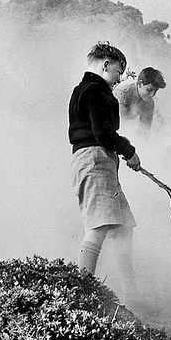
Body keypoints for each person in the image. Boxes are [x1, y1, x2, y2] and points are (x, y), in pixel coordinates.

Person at [68, 42, 141, 298]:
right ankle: (83, 291)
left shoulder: (83, 89)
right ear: (105, 64)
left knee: (122, 226)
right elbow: (103, 133)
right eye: (118, 72)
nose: (119, 79)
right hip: (95, 160)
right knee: (99, 225)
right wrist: (129, 151)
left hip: (99, 160)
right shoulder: (95, 90)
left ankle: (131, 294)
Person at [114, 66, 166, 132]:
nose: (152, 95)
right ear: (140, 83)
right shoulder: (121, 94)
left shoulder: (149, 102)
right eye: (149, 90)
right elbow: (120, 124)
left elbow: (144, 131)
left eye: (155, 91)